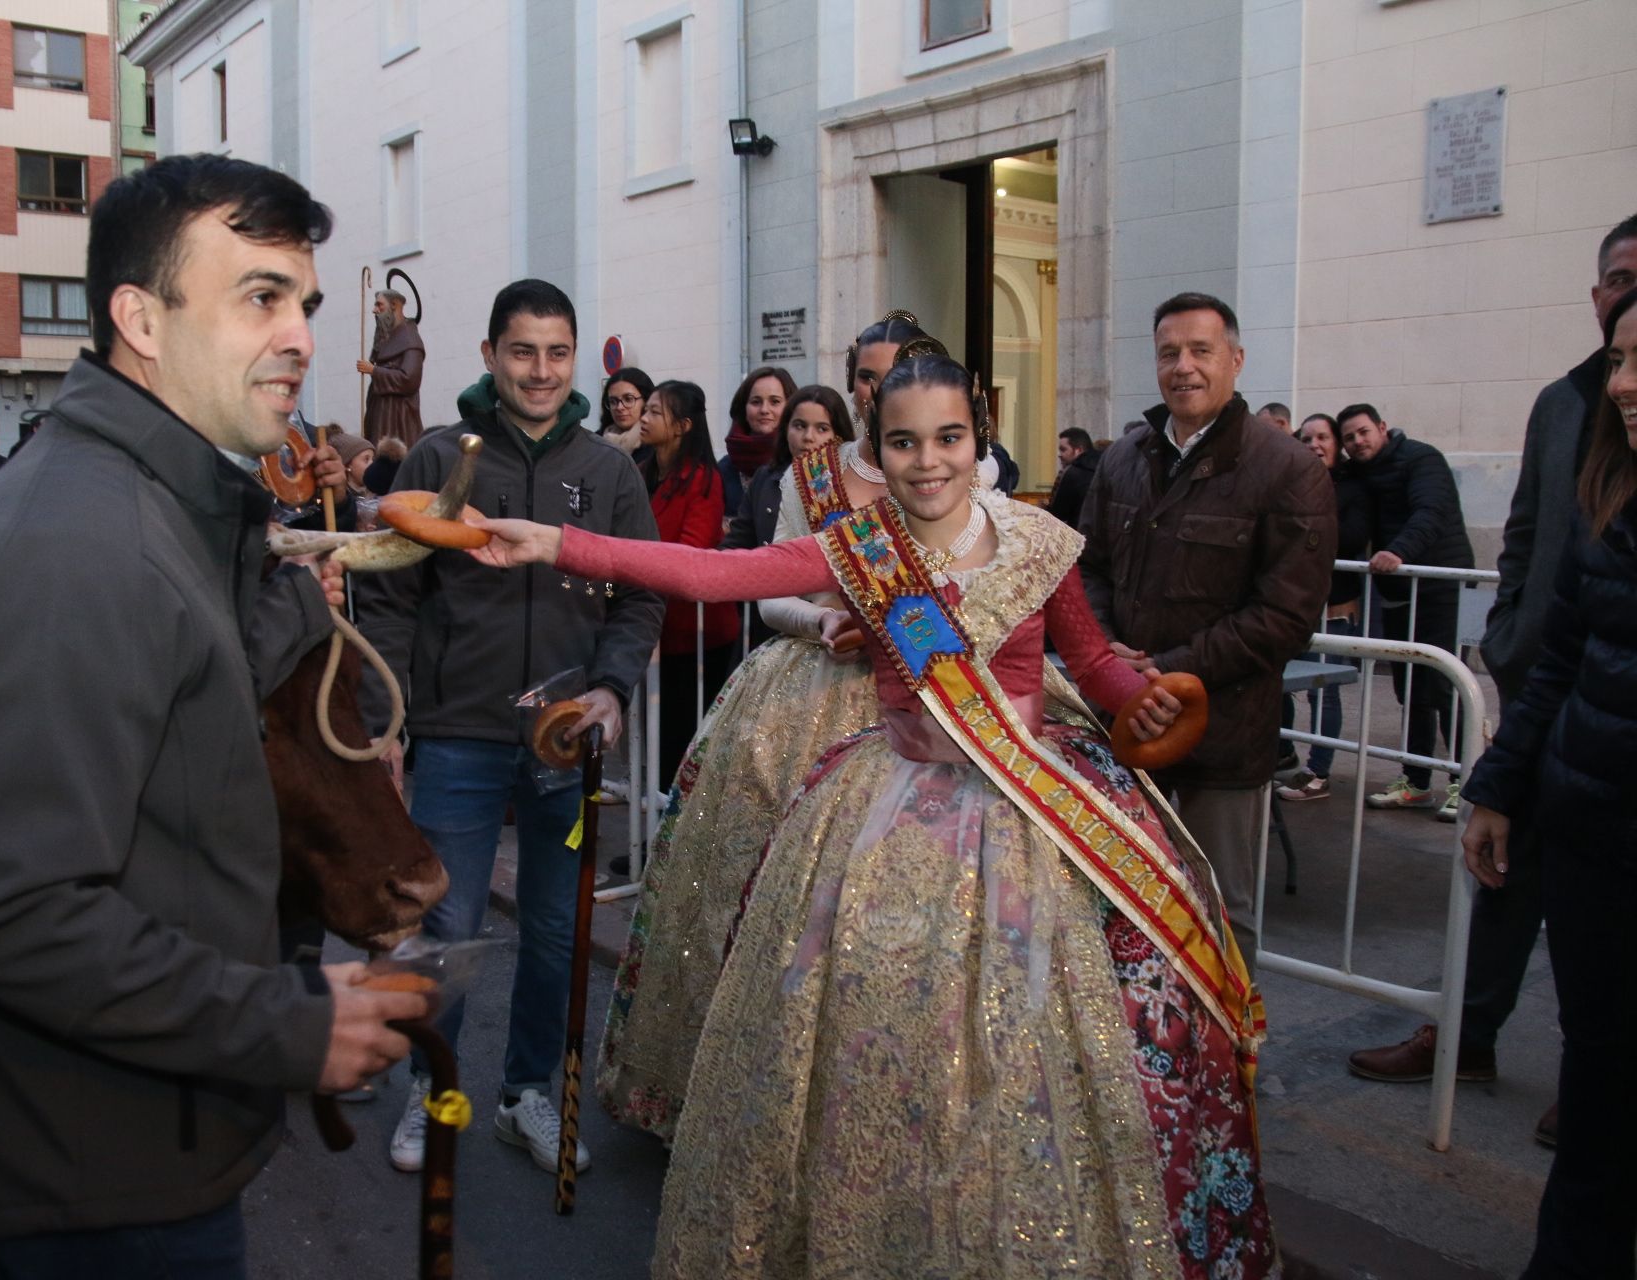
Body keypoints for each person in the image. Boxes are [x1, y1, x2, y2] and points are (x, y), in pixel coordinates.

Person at [473, 352, 1276, 1278]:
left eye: (948, 438)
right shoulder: (858, 546)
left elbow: (1092, 665)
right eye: (904, 442)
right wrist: (555, 543)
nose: (927, 461)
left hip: (1032, 809)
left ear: (979, 438)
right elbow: (707, 571)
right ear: (878, 446)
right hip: (888, 815)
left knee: (1046, 1052)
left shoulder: (1038, 539)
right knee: (880, 1062)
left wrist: (1141, 699)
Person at [0, 152, 427, 1275]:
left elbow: (183, 672)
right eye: (260, 297)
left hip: (126, 1136)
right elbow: (18, 912)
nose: (303, 338)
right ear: (139, 315)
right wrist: (287, 1020)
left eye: (305, 304)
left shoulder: (153, 507)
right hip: (84, 1181)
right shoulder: (71, 550)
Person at [355, 278, 664, 1179]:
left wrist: (612, 688)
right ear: (490, 354)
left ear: (574, 359)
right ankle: (434, 1089)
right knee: (445, 924)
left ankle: (528, 1092)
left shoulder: (608, 471)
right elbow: (387, 596)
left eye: (556, 352)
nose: (540, 370)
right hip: (456, 734)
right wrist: (390, 723)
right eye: (522, 351)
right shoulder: (442, 457)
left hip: (566, 739)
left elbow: (640, 592)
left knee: (554, 931)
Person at [1346, 215, 1637, 1143]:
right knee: (1505, 863)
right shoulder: (1564, 401)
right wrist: (1512, 634)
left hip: (1612, 715)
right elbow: (1526, 529)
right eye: (1617, 279)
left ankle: (1599, 1079)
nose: (1625, 299)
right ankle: (1468, 1036)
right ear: (1596, 297)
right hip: (1551, 686)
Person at [596, 335, 895, 1139]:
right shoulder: (816, 480)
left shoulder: (968, 481)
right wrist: (828, 618)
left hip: (924, 714)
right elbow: (766, 591)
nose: (878, 392)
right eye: (866, 379)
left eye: (894, 376)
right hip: (806, 698)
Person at [1460, 285, 1637, 1278]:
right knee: (1600, 1092)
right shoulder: (1609, 501)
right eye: (1616, 359)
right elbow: (1560, 661)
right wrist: (1497, 786)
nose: (1622, 383)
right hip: (1592, 841)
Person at [1079, 292, 1336, 966]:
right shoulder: (1123, 459)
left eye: (1201, 351)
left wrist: (1167, 668)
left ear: (1236, 360)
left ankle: (1230, 1070)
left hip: (1223, 739)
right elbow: (1087, 569)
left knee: (1218, 918)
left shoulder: (1288, 470)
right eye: (1169, 353)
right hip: (1126, 726)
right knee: (1124, 906)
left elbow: (1285, 614)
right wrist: (1105, 650)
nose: (1184, 367)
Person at [1338, 402, 1476, 818]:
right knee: (1412, 690)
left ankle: (1466, 785)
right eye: (1349, 438)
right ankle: (1416, 781)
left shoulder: (1422, 458)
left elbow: (1431, 511)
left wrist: (1399, 551)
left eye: (1363, 432)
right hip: (1399, 591)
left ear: (1382, 427)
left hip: (1442, 588)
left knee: (1447, 688)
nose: (1357, 442)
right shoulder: (1360, 473)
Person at [637, 380, 740, 792]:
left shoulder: (702, 480)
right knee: (652, 738)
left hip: (696, 636)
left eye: (654, 412)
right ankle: (647, 842)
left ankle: (670, 846)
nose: (643, 419)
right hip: (653, 629)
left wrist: (635, 564)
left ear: (680, 426)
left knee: (682, 743)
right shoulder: (643, 473)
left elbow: (691, 553)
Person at [1275, 413, 1371, 801]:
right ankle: (1284, 755)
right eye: (1306, 438)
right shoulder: (1291, 485)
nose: (1314, 444)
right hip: (1294, 604)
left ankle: (1319, 771)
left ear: (1337, 445)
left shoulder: (1351, 489)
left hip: (1335, 607)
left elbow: (1351, 536)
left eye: (1323, 437)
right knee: (1280, 683)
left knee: (1322, 692)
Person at [722, 383, 852, 551]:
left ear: (838, 436)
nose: (808, 437)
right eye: (799, 426)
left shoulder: (853, 481)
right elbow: (737, 544)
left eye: (822, 428)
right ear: (786, 430)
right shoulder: (766, 479)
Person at [717, 364, 796, 516]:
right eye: (756, 402)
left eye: (775, 402)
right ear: (743, 408)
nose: (764, 410)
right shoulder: (724, 469)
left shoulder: (800, 461)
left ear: (790, 407)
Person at [356, 288, 425, 447]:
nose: (374, 310)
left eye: (379, 305)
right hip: (380, 414)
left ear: (394, 305)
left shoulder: (410, 340)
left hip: (398, 420)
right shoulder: (386, 336)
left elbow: (409, 380)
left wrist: (374, 371)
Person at [1046, 425, 1099, 527]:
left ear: (1078, 450)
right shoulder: (1105, 466)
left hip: (1078, 532)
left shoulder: (1072, 473)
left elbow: (1058, 514)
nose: (1060, 455)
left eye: (1063, 449)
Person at [596, 366, 653, 454]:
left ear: (646, 401)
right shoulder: (595, 442)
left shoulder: (655, 444)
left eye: (628, 399)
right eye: (613, 401)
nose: (619, 407)